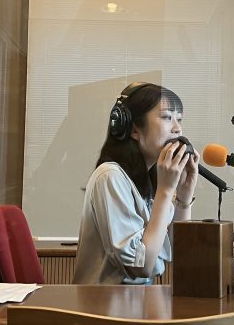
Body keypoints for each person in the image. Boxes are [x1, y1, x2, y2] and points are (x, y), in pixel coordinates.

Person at [73, 82, 199, 284]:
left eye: (179, 119)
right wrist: (166, 191)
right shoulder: (110, 177)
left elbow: (180, 251)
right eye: (167, 117)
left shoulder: (151, 179)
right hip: (104, 303)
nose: (178, 129)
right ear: (133, 129)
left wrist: (184, 196)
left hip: (140, 301)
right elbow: (140, 266)